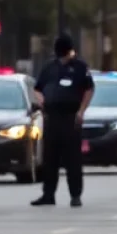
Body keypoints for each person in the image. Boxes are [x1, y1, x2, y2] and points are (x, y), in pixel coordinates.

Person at [31, 34, 94, 208]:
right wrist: (41, 99)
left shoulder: (80, 67)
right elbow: (37, 88)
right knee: (50, 158)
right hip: (52, 117)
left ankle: (75, 195)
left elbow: (89, 89)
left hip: (70, 117)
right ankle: (48, 194)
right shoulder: (49, 67)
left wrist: (81, 111)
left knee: (72, 159)